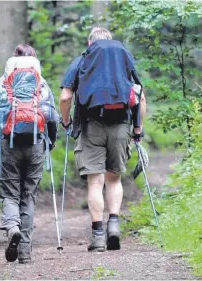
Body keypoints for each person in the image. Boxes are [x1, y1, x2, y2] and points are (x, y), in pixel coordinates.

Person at [59, 27, 146, 252]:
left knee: (95, 182)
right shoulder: (124, 59)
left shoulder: (82, 60)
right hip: (121, 124)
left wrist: (66, 122)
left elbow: (66, 97)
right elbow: (141, 97)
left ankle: (98, 236)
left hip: (91, 125)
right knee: (114, 179)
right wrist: (138, 129)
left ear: (90, 44)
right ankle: (114, 225)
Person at [0, 44, 58, 263]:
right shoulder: (42, 84)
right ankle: (25, 252)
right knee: (28, 195)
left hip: (9, 144)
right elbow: (52, 118)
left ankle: (12, 228)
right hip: (36, 144)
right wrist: (51, 142)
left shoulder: (3, 82)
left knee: (10, 192)